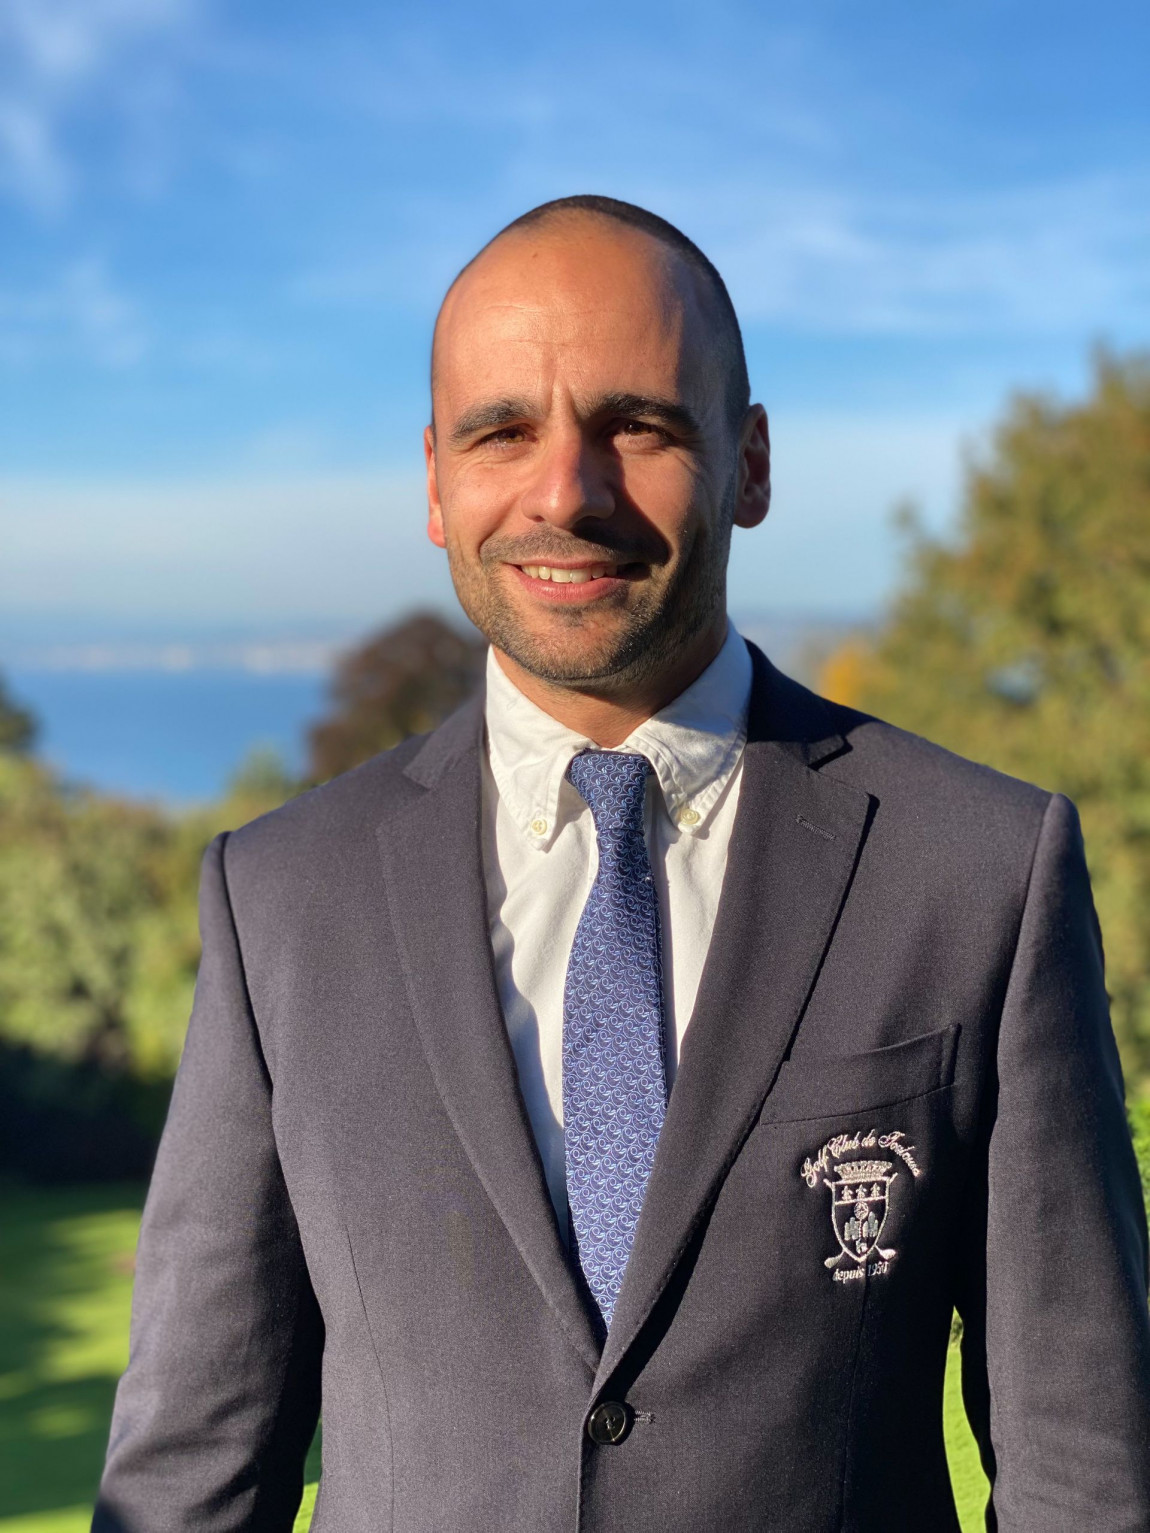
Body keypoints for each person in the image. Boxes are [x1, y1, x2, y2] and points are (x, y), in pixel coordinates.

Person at [93, 196, 1150, 1532]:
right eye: (500, 432)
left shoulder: (978, 869)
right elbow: (190, 1474)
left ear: (748, 464)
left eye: (636, 426)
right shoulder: (282, 899)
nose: (565, 493)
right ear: (435, 483)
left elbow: (1085, 1469)